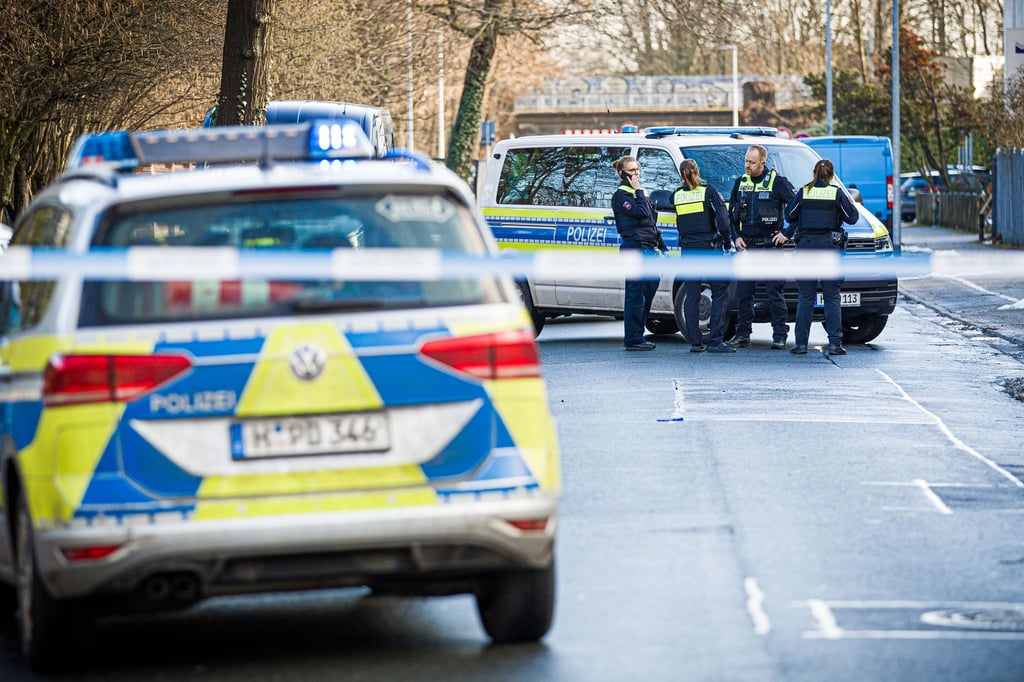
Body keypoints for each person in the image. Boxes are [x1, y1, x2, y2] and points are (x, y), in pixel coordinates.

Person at [773, 158, 858, 355]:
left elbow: (789, 215)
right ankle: (835, 344)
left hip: (806, 249)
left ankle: (801, 344)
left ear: (814, 173)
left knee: (805, 298)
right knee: (832, 298)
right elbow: (852, 218)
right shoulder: (836, 193)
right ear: (831, 176)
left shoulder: (805, 192)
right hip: (830, 250)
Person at [728, 144, 796, 349]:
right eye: (746, 161)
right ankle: (743, 335)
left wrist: (786, 234)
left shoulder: (777, 182)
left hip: (770, 246)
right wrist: (736, 237)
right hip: (747, 247)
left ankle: (779, 335)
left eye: (752, 162)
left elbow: (798, 208)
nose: (747, 165)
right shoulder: (741, 182)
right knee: (744, 294)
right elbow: (731, 216)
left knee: (774, 292)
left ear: (762, 163)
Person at [673, 159, 735, 353]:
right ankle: (715, 340)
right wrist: (727, 243)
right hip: (709, 248)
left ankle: (695, 342)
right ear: (697, 171)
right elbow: (723, 220)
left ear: (681, 175)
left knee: (691, 295)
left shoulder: (677, 195)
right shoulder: (708, 192)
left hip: (688, 250)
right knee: (720, 291)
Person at [611, 155, 661, 351]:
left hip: (648, 247)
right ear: (622, 173)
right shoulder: (621, 196)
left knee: (649, 287)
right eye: (632, 170)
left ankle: (638, 333)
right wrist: (639, 190)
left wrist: (662, 247)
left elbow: (651, 222)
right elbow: (641, 213)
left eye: (637, 170)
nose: (636, 174)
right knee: (635, 294)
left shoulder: (639, 194)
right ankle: (633, 338)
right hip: (634, 247)